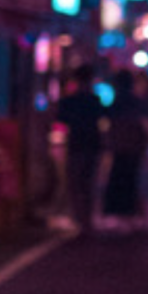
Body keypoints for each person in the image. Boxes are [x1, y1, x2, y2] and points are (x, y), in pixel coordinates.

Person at [102, 69, 148, 228]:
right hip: (133, 148)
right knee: (129, 180)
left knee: (118, 180)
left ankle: (121, 213)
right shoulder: (135, 102)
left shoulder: (117, 102)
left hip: (121, 147)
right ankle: (130, 213)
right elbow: (145, 125)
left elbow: (109, 123)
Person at [55, 62, 103, 234]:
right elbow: (102, 119)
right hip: (91, 145)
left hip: (76, 144)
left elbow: (60, 119)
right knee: (87, 184)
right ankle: (86, 220)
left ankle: (80, 219)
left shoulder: (69, 100)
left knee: (76, 184)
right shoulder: (94, 100)